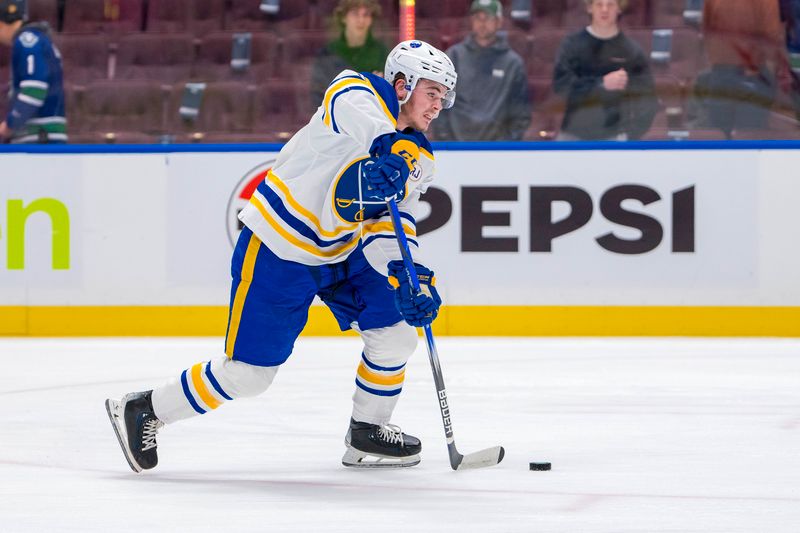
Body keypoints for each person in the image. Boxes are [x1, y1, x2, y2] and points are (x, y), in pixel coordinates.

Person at [105, 40, 458, 472]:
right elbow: (355, 110)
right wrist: (385, 144)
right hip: (280, 246)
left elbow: (389, 221)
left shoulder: (420, 156)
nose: (439, 105)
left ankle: (367, 430)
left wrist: (407, 275)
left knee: (398, 334)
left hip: (344, 253)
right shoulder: (354, 91)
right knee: (248, 376)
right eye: (432, 92)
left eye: (444, 96)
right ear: (401, 84)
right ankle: (146, 409)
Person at [692, 0, 800, 137]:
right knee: (749, 138)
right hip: (752, 78)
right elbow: (771, 40)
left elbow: (705, 30)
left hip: (720, 75)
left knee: (718, 138)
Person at [552, 0, 657, 141]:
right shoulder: (572, 45)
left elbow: (647, 101)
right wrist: (601, 84)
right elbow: (561, 86)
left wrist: (630, 135)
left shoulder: (631, 51)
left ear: (619, 8)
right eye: (599, 4)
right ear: (590, 7)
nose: (605, 9)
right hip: (573, 134)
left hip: (614, 137)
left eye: (610, 4)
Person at [432, 0, 531, 141]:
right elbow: (439, 103)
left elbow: (520, 114)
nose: (482, 23)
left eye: (488, 18)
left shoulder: (512, 63)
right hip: (456, 150)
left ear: (499, 22)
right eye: (478, 17)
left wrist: (506, 147)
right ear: (472, 21)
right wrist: (448, 143)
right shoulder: (453, 57)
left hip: (498, 153)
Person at [0, 0, 66, 143]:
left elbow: (34, 90)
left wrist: (10, 124)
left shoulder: (26, 41)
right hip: (43, 136)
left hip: (39, 138)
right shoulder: (40, 40)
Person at [309, 0, 389, 109]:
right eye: (355, 14)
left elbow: (387, 95)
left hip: (371, 116)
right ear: (343, 17)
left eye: (366, 15)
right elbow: (319, 94)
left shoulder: (382, 53)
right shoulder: (328, 53)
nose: (361, 20)